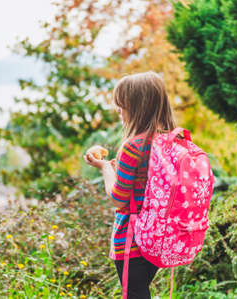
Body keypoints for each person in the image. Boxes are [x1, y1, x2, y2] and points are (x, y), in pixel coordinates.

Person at [84, 71, 176, 299]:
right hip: (159, 235)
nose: (119, 112)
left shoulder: (132, 146)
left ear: (136, 108)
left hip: (132, 239)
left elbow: (118, 198)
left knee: (134, 295)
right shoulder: (170, 140)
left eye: (121, 107)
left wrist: (105, 168)